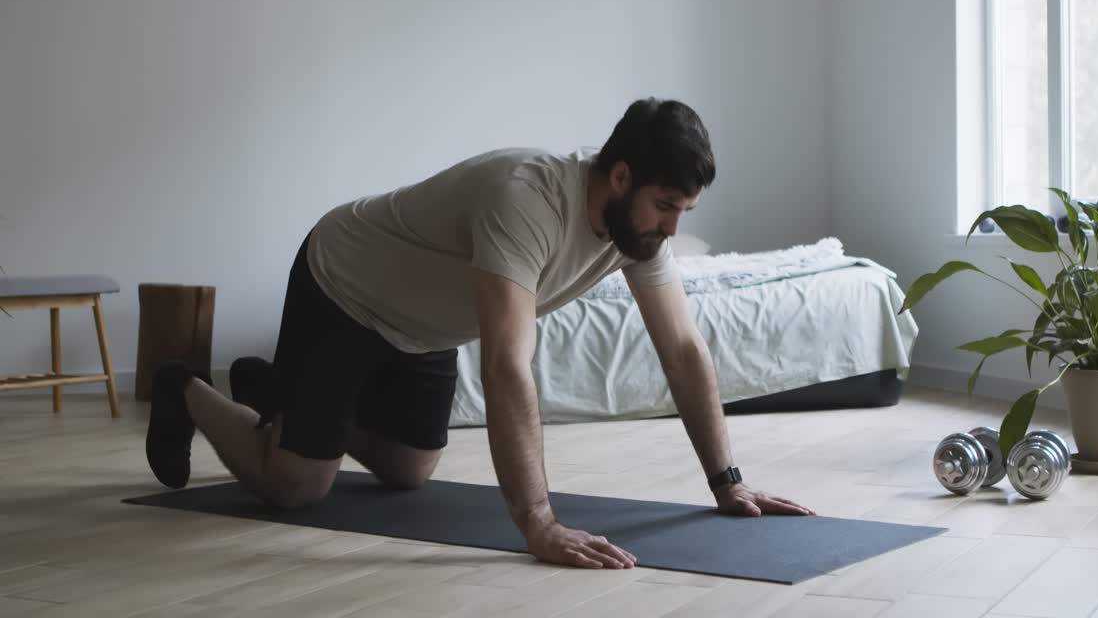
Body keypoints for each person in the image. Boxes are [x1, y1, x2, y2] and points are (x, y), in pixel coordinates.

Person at [145, 97, 815, 570]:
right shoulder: (526, 199)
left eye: (684, 211)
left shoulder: (636, 233)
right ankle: (187, 391)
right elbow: (506, 367)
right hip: (345, 287)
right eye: (667, 206)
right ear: (620, 177)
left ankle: (286, 397)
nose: (673, 228)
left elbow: (684, 351)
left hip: (421, 328)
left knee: (410, 471)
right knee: (297, 488)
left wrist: (728, 480)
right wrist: (538, 523)